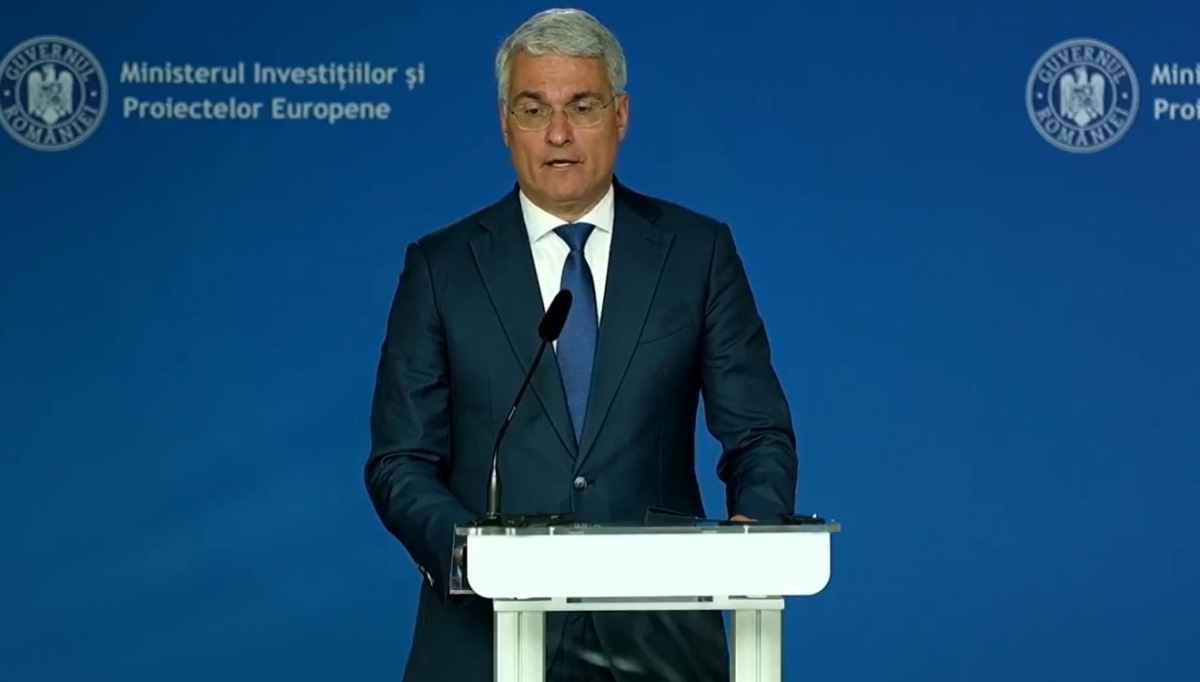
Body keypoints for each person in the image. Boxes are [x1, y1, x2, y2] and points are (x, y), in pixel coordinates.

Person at [364, 8, 799, 682]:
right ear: (505, 124)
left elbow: (759, 433)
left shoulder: (696, 253)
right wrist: (473, 557)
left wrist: (754, 534)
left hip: (660, 633)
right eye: (534, 109)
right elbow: (401, 460)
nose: (558, 133)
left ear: (620, 116)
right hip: (485, 634)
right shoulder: (441, 268)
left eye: (582, 106)